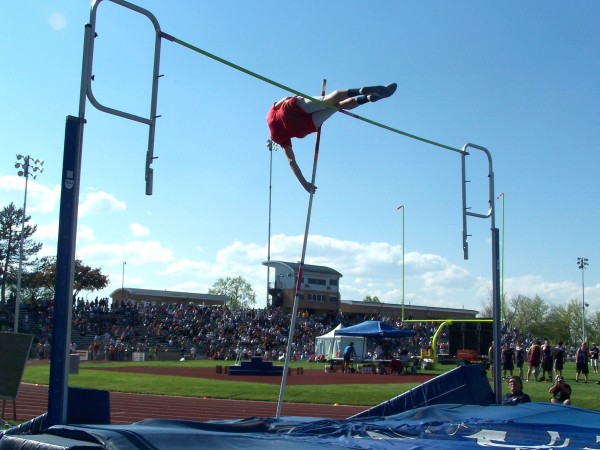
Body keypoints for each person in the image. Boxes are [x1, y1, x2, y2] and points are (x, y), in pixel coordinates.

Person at [266, 83, 397, 192]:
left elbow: (291, 161)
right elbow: (285, 98)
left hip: (304, 127)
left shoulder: (281, 140)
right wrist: (296, 97)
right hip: (291, 108)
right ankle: (360, 91)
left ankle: (368, 98)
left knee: (336, 106)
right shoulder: (269, 116)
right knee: (329, 99)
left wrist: (305, 184)